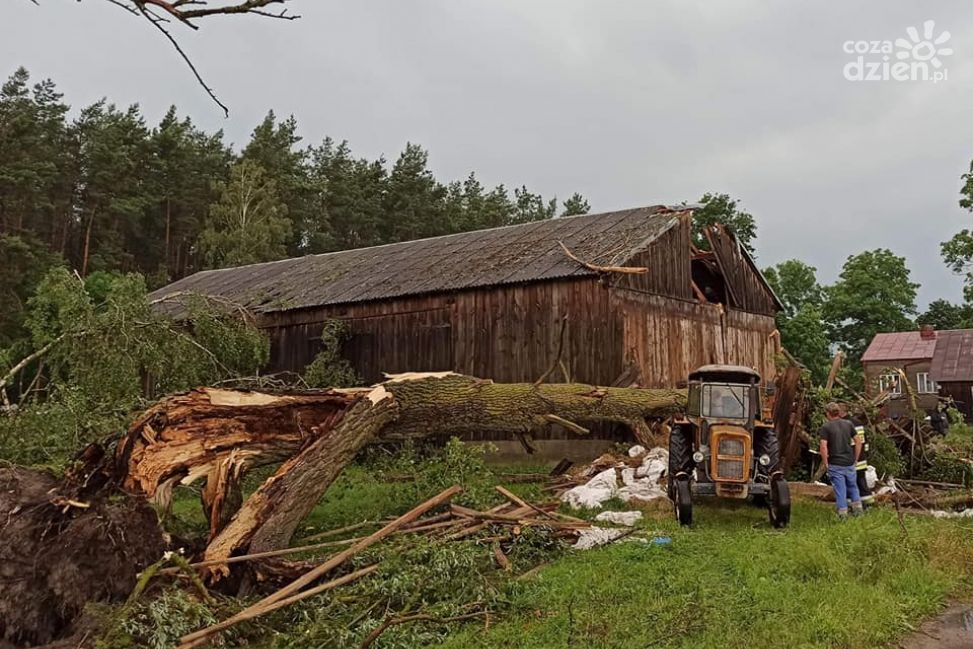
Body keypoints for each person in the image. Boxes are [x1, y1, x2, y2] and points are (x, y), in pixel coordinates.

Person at [819, 402, 863, 519]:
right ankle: (858, 512)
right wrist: (856, 459)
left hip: (835, 463)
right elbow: (858, 441)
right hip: (849, 462)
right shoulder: (848, 424)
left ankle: (843, 515)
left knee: (840, 490)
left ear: (828, 413)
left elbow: (823, 446)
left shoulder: (826, 427)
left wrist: (825, 462)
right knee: (853, 487)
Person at [838, 403, 874, 507]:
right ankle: (868, 503)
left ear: (841, 412)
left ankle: (851, 505)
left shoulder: (843, 424)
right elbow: (865, 441)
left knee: (849, 484)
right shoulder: (858, 423)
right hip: (861, 459)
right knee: (861, 482)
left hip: (850, 459)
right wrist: (865, 453)